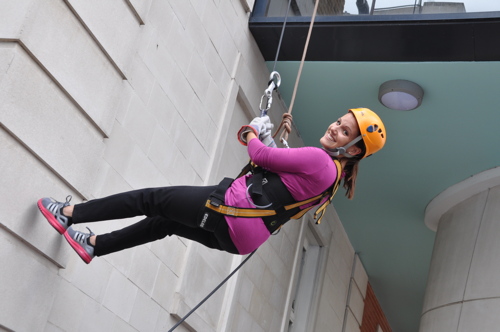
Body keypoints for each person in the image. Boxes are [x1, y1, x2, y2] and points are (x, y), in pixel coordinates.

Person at [37, 108, 386, 264]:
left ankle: (69, 214)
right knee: (166, 222)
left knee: (151, 199)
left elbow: (262, 156)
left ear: (353, 149)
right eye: (339, 121)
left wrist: (252, 132)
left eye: (343, 131)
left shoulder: (320, 160)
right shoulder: (332, 181)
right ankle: (95, 245)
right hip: (240, 239)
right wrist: (266, 144)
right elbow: (285, 186)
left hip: (230, 211)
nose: (334, 128)